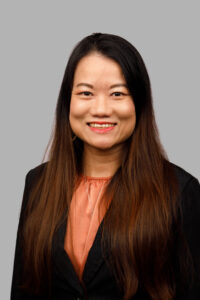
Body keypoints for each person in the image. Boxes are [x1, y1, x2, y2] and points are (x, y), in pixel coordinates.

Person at [10, 32, 200, 300]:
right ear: (68, 102)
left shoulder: (180, 191)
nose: (101, 109)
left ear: (139, 103)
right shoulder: (38, 184)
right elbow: (23, 289)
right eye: (86, 93)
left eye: (117, 93)